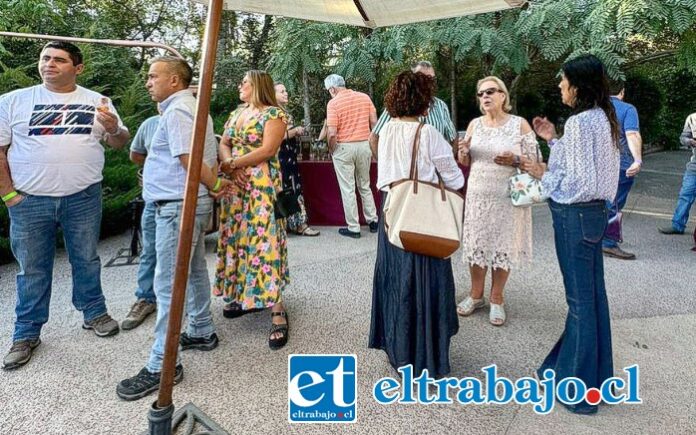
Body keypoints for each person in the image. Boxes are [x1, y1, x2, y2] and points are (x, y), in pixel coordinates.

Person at [0, 41, 130, 371]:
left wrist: (114, 127)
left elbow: (119, 141)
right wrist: (9, 196)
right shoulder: (13, 102)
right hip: (29, 202)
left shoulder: (96, 101)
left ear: (78, 67)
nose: (49, 64)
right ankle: (26, 333)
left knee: (86, 258)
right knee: (32, 268)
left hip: (83, 198)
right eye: (45, 58)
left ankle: (94, 313)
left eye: (59, 60)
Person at [117, 56, 228, 401]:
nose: (148, 81)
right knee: (193, 271)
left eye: (153, 76)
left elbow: (190, 160)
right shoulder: (189, 108)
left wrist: (216, 186)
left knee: (167, 286)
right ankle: (201, 329)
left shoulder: (179, 110)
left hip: (177, 207)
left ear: (175, 81)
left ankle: (162, 366)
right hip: (183, 205)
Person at [520, 54, 620, 415]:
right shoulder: (603, 119)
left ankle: (577, 390)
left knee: (580, 303)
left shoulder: (581, 122)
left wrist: (541, 176)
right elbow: (591, 172)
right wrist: (553, 139)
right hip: (593, 215)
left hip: (574, 215)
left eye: (563, 81)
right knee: (593, 298)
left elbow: (577, 181)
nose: (560, 86)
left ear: (577, 86)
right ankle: (588, 378)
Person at [369, 70, 464, 378]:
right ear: (425, 104)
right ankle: (424, 355)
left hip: (392, 213)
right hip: (422, 217)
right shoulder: (429, 135)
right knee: (423, 286)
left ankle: (397, 348)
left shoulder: (386, 133)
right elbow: (455, 179)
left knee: (395, 281)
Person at [215, 70, 291, 350]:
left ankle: (277, 310)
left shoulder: (274, 115)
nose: (239, 86)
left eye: (244, 82)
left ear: (257, 85)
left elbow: (269, 150)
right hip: (237, 185)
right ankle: (244, 294)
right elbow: (224, 143)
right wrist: (229, 165)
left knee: (264, 242)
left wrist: (233, 164)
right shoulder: (237, 113)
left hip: (261, 184)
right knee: (239, 238)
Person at [456, 76, 540, 326]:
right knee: (477, 245)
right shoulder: (474, 125)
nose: (485, 97)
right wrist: (462, 153)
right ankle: (475, 295)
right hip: (478, 196)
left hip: (507, 196)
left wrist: (515, 160)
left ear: (503, 95)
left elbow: (536, 164)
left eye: (490, 92)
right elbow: (466, 162)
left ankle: (497, 298)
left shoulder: (520, 125)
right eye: (481, 94)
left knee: (502, 247)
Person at [324, 74, 379, 238]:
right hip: (364, 145)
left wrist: (331, 149)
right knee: (365, 184)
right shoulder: (364, 97)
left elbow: (332, 133)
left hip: (344, 147)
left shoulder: (333, 103)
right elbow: (375, 123)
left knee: (348, 188)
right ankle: (373, 221)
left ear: (332, 89)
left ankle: (354, 227)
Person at [369, 60, 456, 158]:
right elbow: (374, 137)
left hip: (432, 170)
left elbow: (453, 138)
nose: (429, 83)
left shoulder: (441, 106)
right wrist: (382, 164)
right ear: (413, 81)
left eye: (432, 79)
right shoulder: (397, 106)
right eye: (424, 79)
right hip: (405, 171)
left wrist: (448, 162)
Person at [121, 113, 160, 330]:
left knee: (190, 253)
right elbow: (135, 154)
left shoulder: (193, 118)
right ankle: (145, 298)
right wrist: (155, 164)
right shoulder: (149, 124)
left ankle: (189, 305)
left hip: (184, 197)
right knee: (150, 251)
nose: (149, 84)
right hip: (153, 196)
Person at [601, 81, 642, 260]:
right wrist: (637, 160)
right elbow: (632, 134)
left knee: (598, 201)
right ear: (622, 91)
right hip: (620, 164)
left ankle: (594, 238)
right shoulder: (627, 109)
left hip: (598, 164)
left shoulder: (595, 108)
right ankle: (608, 242)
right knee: (615, 203)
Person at [273, 82, 319, 236]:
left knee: (292, 188)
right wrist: (295, 131)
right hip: (282, 158)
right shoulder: (274, 113)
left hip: (289, 157)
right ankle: (300, 225)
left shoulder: (282, 112)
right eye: (281, 91)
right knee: (289, 190)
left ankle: (294, 224)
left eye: (286, 91)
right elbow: (277, 138)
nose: (286, 93)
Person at [658, 112, 696, 235]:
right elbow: (682, 138)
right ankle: (677, 225)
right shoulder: (692, 118)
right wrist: (690, 141)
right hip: (694, 167)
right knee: (685, 195)